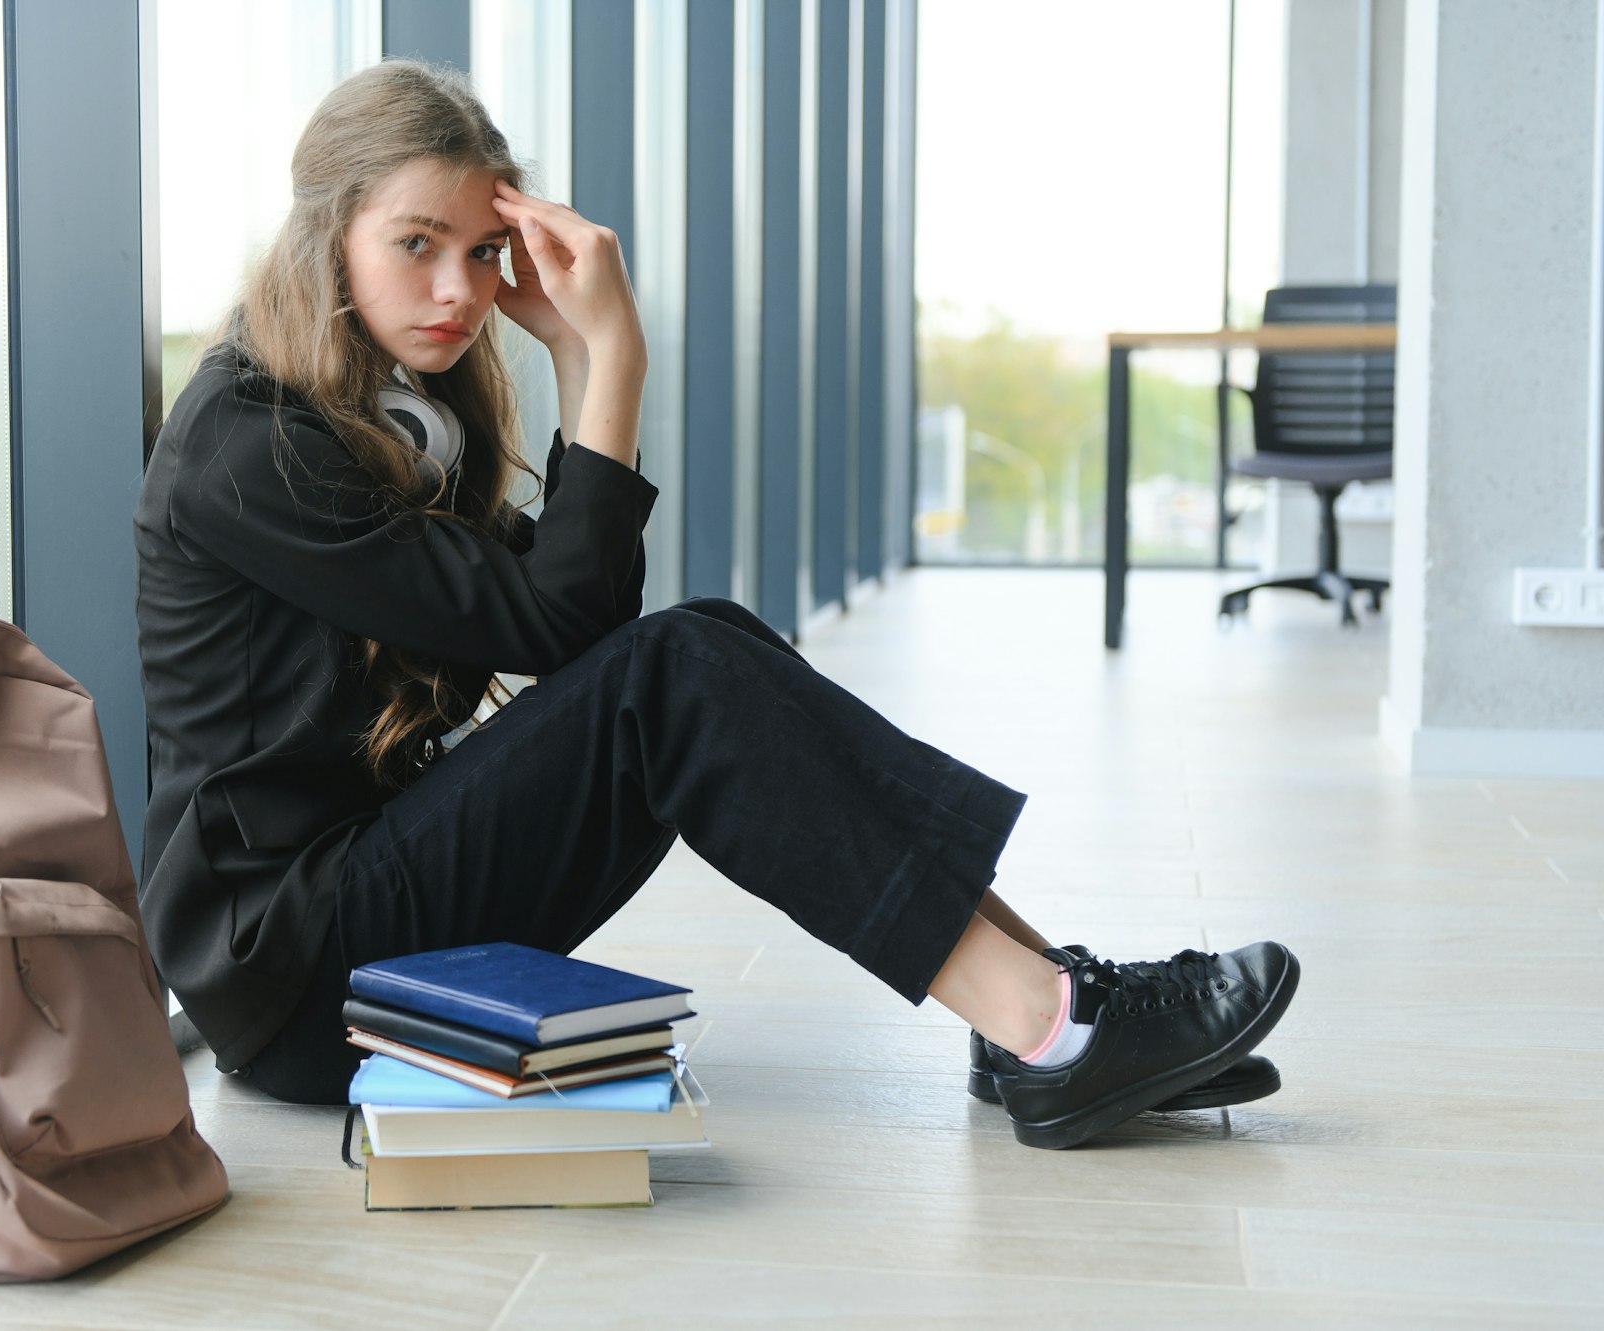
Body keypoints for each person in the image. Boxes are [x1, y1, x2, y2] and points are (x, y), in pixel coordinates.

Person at [133, 60, 1297, 1150]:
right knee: (677, 669)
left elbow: (576, 626)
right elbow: (569, 634)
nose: (460, 290)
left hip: (351, 907)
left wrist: (585, 365)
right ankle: (1057, 1029)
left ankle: (1038, 1002)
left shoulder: (381, 412)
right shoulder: (248, 445)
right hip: (292, 972)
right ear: (323, 239)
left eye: (486, 251)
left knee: (708, 642)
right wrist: (612, 351)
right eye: (415, 244)